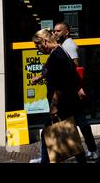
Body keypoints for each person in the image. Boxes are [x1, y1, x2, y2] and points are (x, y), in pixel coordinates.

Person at [31, 28, 86, 164]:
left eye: (37, 45)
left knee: (50, 134)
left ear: (44, 41)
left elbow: (59, 84)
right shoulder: (60, 51)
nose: (38, 48)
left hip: (61, 103)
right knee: (68, 135)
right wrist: (40, 77)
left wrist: (54, 106)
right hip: (67, 100)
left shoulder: (56, 56)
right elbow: (65, 72)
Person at [53, 22, 100, 161]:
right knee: (79, 122)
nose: (55, 33)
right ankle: (91, 151)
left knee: (66, 123)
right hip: (70, 91)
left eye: (58, 31)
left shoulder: (69, 46)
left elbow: (75, 69)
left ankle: (56, 155)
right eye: (54, 31)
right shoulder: (64, 45)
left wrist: (78, 88)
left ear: (66, 32)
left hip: (70, 92)